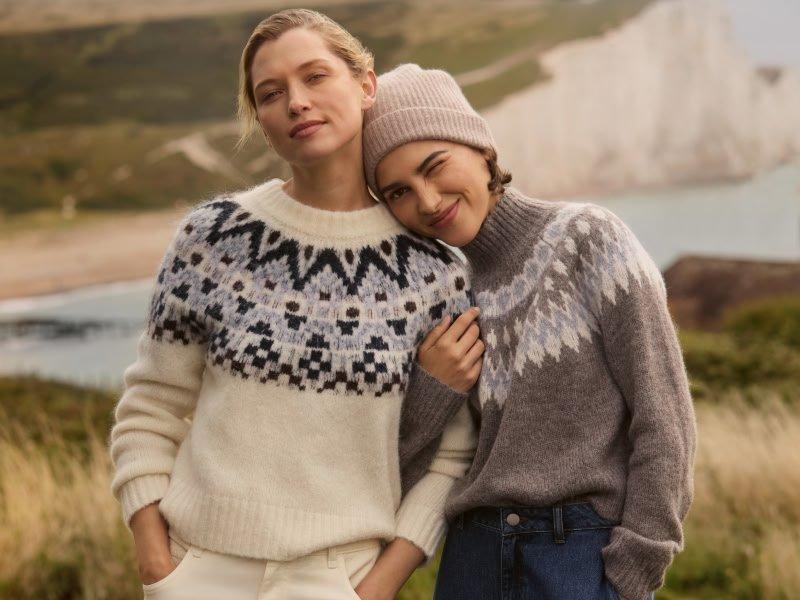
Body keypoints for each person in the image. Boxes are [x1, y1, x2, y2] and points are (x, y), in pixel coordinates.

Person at [109, 14, 482, 599]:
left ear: (365, 84)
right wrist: (154, 554)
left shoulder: (433, 274)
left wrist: (379, 584)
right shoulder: (214, 239)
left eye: (315, 76)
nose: (297, 103)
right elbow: (150, 406)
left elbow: (452, 456)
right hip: (196, 567)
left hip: (341, 578)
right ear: (259, 118)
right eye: (271, 93)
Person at [363, 63, 697, 600]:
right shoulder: (442, 296)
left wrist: (636, 567)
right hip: (470, 560)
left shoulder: (588, 238)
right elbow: (409, 471)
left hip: (575, 556)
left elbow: (664, 418)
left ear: (481, 149)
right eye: (398, 192)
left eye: (435, 166)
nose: (426, 201)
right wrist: (433, 386)